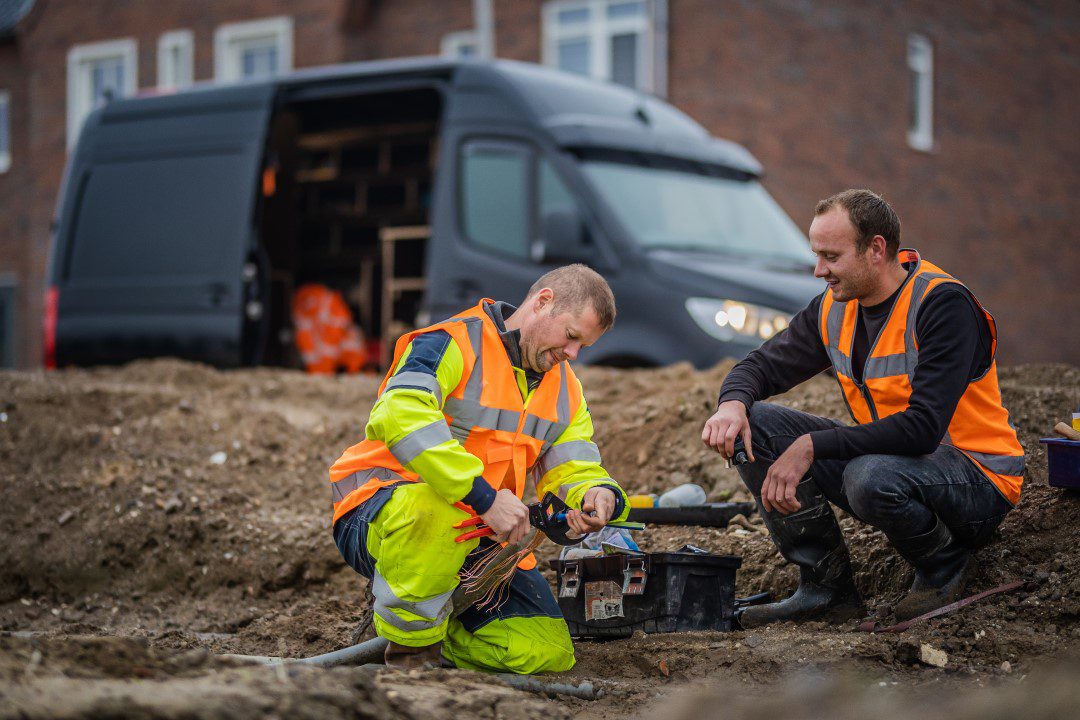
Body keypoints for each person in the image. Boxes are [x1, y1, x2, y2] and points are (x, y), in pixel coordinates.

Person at [702, 189, 1024, 627]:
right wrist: (732, 405)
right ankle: (826, 589)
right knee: (755, 425)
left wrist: (812, 446)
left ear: (876, 249)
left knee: (867, 475)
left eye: (831, 257)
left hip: (976, 481)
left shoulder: (943, 305)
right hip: (897, 466)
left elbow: (922, 429)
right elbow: (760, 365)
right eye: (817, 256)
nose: (820, 271)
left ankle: (943, 564)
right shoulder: (836, 309)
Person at [329, 264, 630, 672]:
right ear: (543, 303)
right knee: (434, 513)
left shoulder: (566, 388)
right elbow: (400, 413)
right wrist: (483, 497)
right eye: (571, 336)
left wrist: (595, 493)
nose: (573, 354)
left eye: (583, 346)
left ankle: (432, 634)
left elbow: (573, 464)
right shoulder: (451, 342)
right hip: (380, 512)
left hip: (477, 531)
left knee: (546, 653)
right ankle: (409, 656)